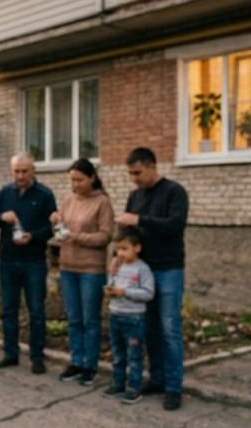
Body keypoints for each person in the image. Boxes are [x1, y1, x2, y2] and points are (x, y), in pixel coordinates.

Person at [116, 147, 189, 411]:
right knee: (149, 327)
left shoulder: (174, 191)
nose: (134, 178)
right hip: (141, 270)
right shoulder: (134, 196)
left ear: (151, 167)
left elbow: (175, 225)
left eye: (137, 173)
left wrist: (140, 219)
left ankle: (173, 387)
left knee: (169, 329)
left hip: (168, 269)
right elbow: (126, 233)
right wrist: (118, 257)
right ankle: (156, 378)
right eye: (130, 174)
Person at [0, 152, 57, 374]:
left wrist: (33, 236)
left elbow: (51, 227)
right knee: (9, 310)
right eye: (16, 171)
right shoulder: (5, 193)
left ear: (33, 170)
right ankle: (10, 354)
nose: (20, 175)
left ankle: (37, 357)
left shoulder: (45, 194)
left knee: (36, 311)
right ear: (11, 171)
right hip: (8, 261)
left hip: (34, 262)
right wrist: (1, 218)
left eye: (24, 171)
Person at [49, 159, 114, 386]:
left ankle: (90, 366)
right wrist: (55, 223)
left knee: (90, 320)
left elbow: (105, 236)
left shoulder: (102, 202)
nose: (75, 184)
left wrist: (77, 237)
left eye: (79, 180)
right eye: (72, 180)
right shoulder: (68, 200)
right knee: (73, 319)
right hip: (68, 267)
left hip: (91, 270)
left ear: (92, 178)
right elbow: (60, 234)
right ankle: (76, 362)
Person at [103, 227, 155, 405]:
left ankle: (134, 388)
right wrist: (110, 289)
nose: (120, 253)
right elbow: (112, 283)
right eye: (117, 249)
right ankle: (118, 383)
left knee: (134, 355)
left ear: (137, 248)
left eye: (125, 249)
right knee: (118, 353)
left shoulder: (143, 269)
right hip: (115, 314)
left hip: (133, 318)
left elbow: (148, 293)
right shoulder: (117, 266)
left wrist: (125, 292)